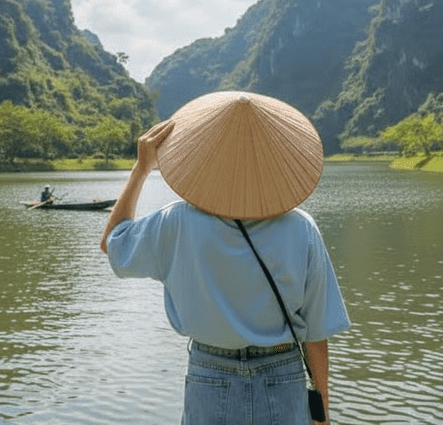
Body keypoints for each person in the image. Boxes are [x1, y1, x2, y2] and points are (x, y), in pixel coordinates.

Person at [100, 91, 350, 424]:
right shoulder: (301, 228)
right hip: (283, 375)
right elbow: (316, 330)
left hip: (210, 375)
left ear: (207, 159)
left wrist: (140, 169)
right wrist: (322, 411)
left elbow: (113, 246)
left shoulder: (177, 222)